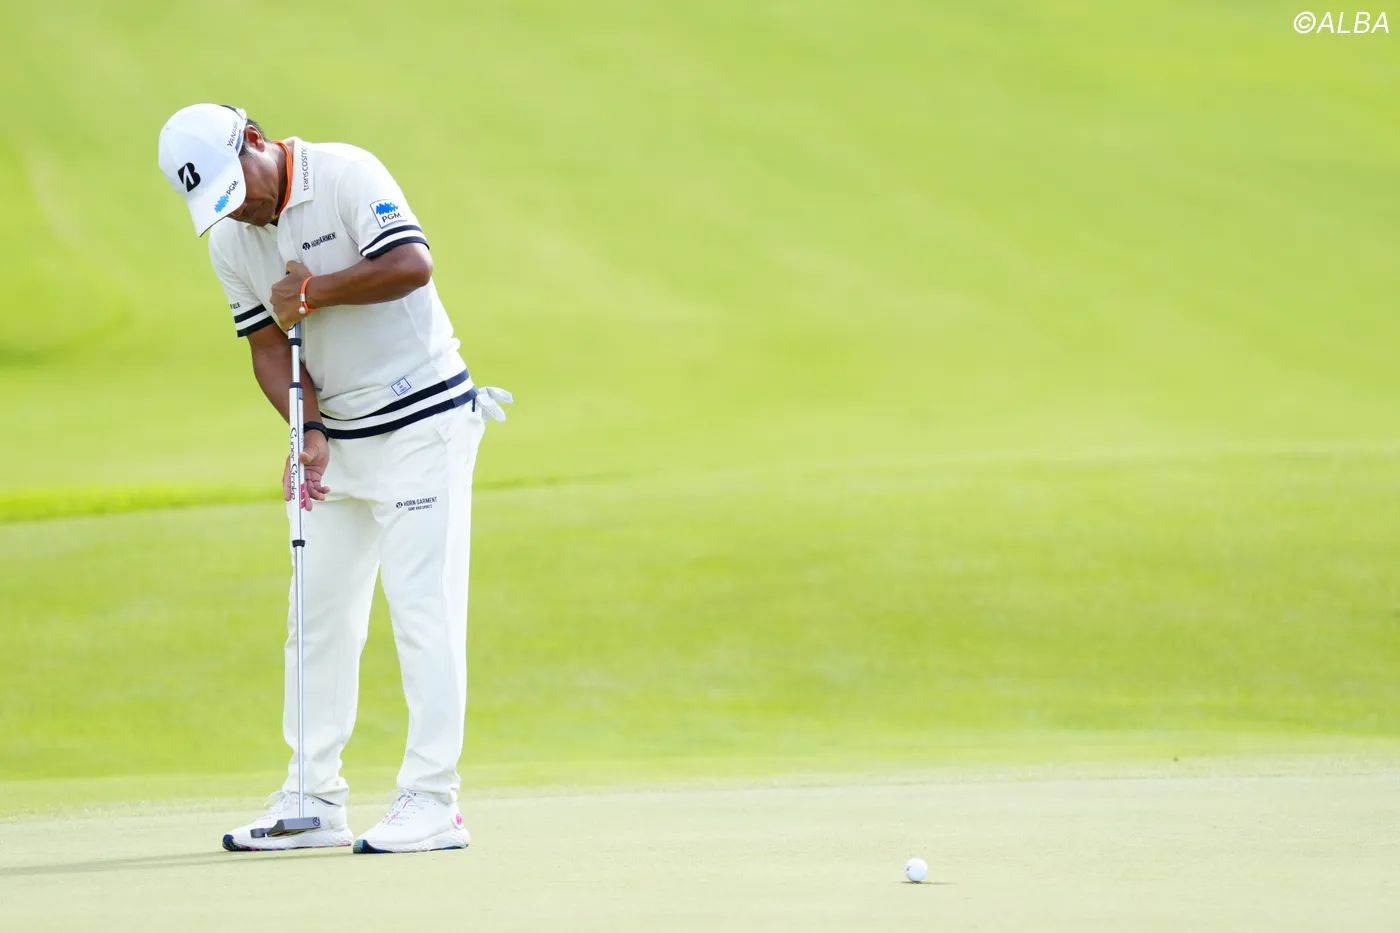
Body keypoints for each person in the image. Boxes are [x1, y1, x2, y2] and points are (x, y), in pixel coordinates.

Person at [157, 103, 511, 854]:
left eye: (237, 190)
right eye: (219, 203)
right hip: (338, 441)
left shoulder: (347, 172)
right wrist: (308, 428)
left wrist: (313, 291)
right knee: (316, 616)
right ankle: (311, 799)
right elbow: (265, 346)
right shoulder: (230, 240)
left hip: (424, 423)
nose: (238, 209)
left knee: (423, 610)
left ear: (255, 142)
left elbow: (411, 265)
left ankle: (433, 800)